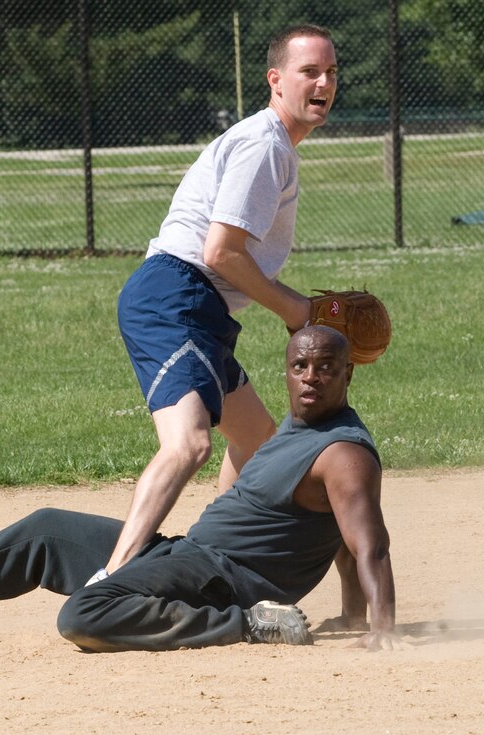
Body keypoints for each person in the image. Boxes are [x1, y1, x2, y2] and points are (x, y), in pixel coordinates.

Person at [0, 326, 402, 652]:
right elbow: (338, 539)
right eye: (301, 366)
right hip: (189, 557)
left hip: (226, 582)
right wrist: (349, 613)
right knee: (46, 529)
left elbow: (366, 542)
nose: (311, 377)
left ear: (349, 374)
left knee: (85, 614)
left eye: (326, 367)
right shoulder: (297, 431)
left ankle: (251, 626)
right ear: (287, 369)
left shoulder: (344, 453)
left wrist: (379, 628)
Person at [107, 24, 339, 580]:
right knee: (188, 445)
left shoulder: (276, 146)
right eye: (310, 71)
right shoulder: (265, 146)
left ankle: (213, 559)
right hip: (176, 294)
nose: (324, 82)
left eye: (331, 72)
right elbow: (222, 253)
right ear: (275, 79)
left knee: (258, 442)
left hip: (196, 304)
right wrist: (297, 311)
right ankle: (111, 582)